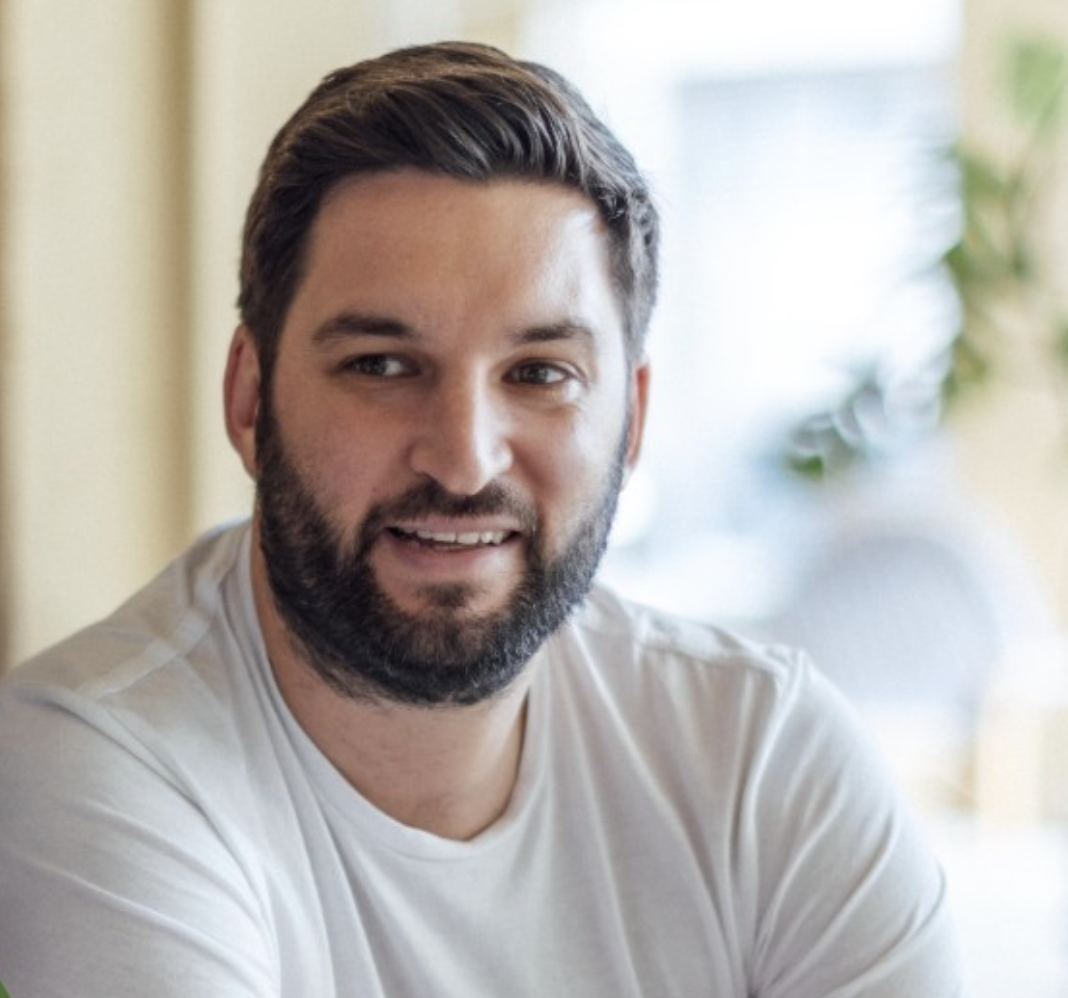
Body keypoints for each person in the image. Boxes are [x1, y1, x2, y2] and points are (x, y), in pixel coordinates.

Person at [0, 41, 966, 997]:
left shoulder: (763, 758)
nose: (463, 459)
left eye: (539, 374)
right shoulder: (94, 762)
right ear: (251, 399)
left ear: (631, 420)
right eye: (381, 365)